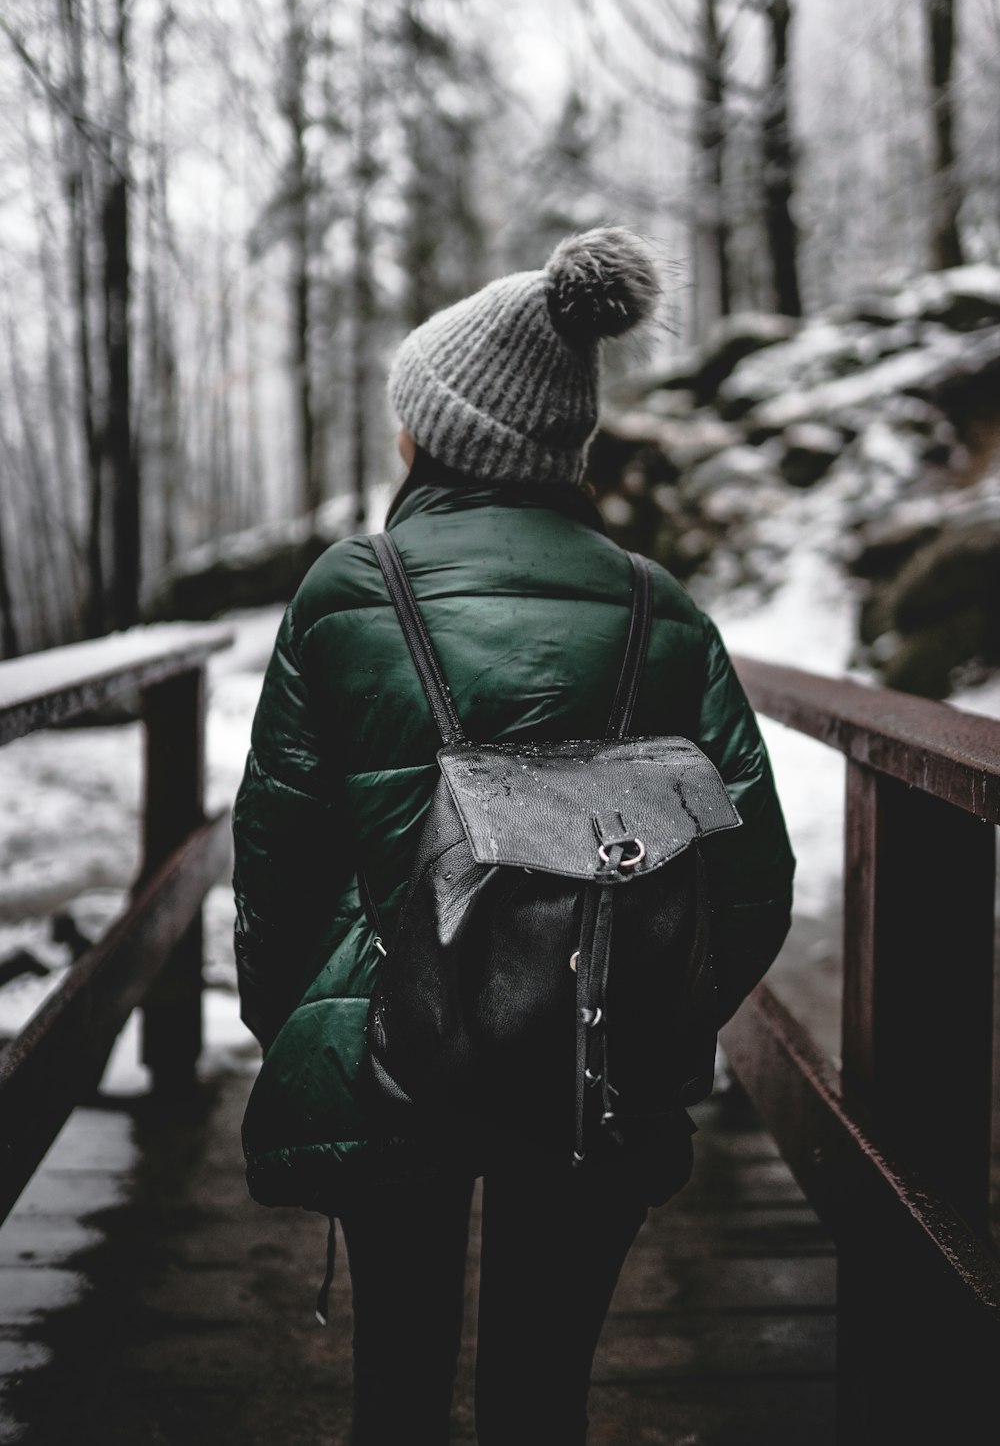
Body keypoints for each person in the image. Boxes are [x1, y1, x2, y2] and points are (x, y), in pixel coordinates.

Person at [232, 226, 795, 1445]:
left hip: (394, 1055)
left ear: (433, 433)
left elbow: (279, 853)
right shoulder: (662, 608)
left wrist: (308, 1028)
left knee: (397, 1392)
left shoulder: (350, 590)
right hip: (596, 1071)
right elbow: (751, 879)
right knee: (544, 1399)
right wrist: (647, 1013)